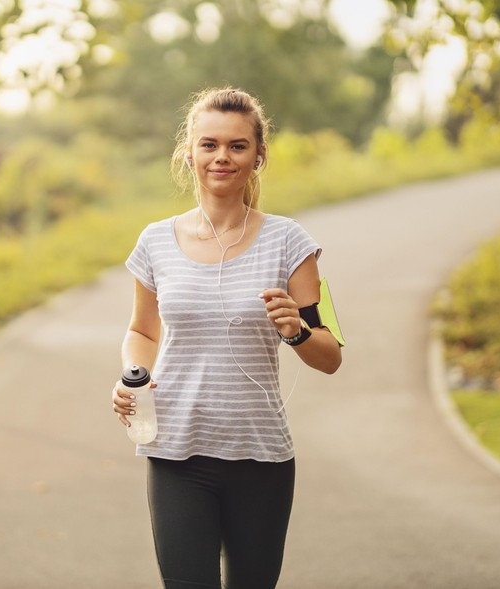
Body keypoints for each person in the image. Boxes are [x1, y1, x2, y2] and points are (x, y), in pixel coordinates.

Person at [112, 87, 343, 588]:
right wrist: (134, 377)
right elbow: (140, 330)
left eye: (238, 146)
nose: (222, 157)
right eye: (209, 144)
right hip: (176, 453)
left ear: (258, 156)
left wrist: (298, 332)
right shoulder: (154, 241)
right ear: (188, 152)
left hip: (261, 459)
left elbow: (331, 356)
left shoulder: (292, 242)